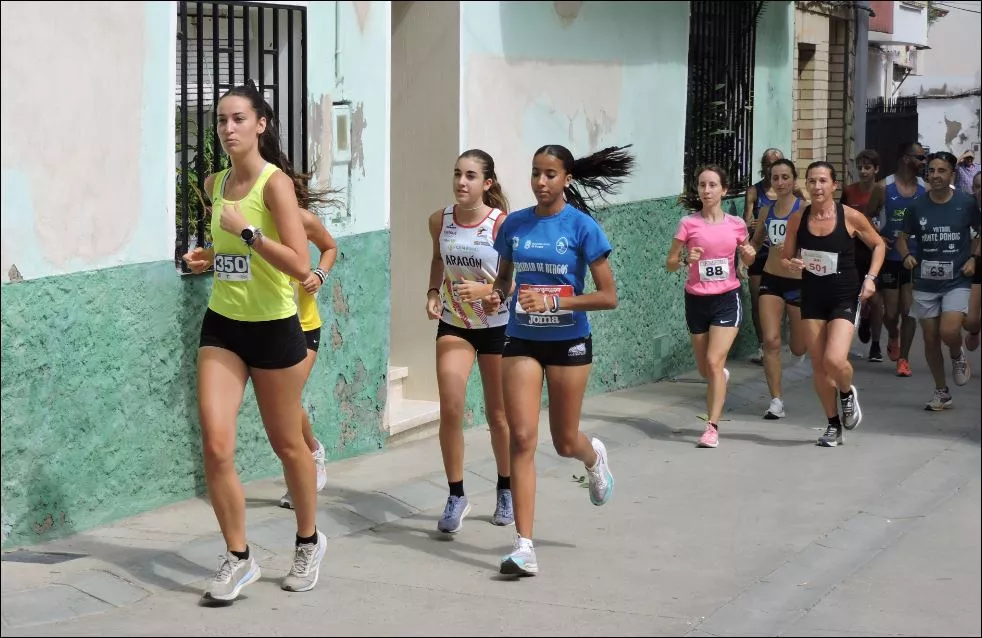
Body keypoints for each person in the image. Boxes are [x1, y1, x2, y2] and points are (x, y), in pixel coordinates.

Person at [181, 81, 331, 601]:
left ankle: (309, 541)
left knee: (288, 444)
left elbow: (298, 263)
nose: (228, 129)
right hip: (223, 324)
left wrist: (247, 233)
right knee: (217, 443)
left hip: (274, 328)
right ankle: (238, 557)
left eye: (239, 119)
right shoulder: (214, 182)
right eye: (221, 120)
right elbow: (233, 257)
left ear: (261, 124)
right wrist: (209, 257)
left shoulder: (275, 186)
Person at [482, 144, 634, 576]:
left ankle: (593, 458)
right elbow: (506, 279)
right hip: (522, 340)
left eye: (550, 174)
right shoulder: (514, 225)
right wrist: (498, 292)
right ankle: (523, 546)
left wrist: (555, 300)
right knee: (523, 438)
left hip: (568, 342)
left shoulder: (583, 228)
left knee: (564, 441)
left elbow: (608, 296)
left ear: (566, 178)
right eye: (535, 173)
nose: (541, 182)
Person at [424, 149, 514, 534]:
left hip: (497, 327)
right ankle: (456, 494)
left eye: (471, 176)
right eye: (458, 173)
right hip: (455, 323)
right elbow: (436, 260)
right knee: (451, 406)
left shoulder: (502, 225)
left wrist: (492, 290)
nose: (462, 182)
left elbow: (516, 278)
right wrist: (432, 291)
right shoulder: (439, 220)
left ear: (487, 184)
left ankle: (506, 488)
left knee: (498, 415)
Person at [782, 162, 885, 448]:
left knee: (835, 360)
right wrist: (793, 264)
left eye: (823, 181)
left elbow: (879, 245)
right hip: (813, 296)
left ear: (834, 186)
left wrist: (871, 279)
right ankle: (832, 424)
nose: (817, 187)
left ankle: (846, 392)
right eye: (812, 181)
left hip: (844, 294)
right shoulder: (797, 219)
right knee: (818, 365)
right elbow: (786, 257)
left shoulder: (850, 216)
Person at [667, 165, 757, 444]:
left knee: (713, 361)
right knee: (706, 369)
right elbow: (670, 263)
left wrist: (750, 254)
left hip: (727, 298)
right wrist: (685, 259)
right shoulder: (688, 223)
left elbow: (748, 259)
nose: (706, 190)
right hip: (696, 298)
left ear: (724, 190)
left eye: (712, 185)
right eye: (702, 185)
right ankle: (719, 376)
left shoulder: (736, 225)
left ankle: (711, 427)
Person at [895, 152, 979, 410]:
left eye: (941, 171)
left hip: (957, 279)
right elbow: (901, 237)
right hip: (925, 282)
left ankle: (956, 354)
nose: (935, 175)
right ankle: (941, 391)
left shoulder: (966, 203)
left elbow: (979, 234)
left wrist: (974, 258)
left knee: (949, 331)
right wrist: (907, 255)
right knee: (930, 338)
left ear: (951, 174)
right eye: (931, 171)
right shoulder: (917, 206)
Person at [277, 210, 338, 509]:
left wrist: (319, 275)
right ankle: (306, 459)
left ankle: (312, 455)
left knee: (289, 398)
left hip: (304, 326)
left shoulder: (303, 219)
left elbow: (329, 247)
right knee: (283, 404)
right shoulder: (250, 220)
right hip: (270, 325)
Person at [750, 159, 806, 419]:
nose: (781, 183)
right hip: (771, 280)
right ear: (770, 181)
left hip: (799, 283)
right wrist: (744, 256)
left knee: (798, 347)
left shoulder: (804, 210)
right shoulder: (766, 210)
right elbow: (756, 241)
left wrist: (805, 261)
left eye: (785, 177)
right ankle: (776, 400)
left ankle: (801, 343)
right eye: (775, 178)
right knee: (771, 341)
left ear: (794, 180)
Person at [877, 143, 926, 377]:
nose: (923, 163)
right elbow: (865, 217)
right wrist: (877, 238)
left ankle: (904, 359)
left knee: (909, 310)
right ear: (906, 159)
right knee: (890, 313)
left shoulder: (924, 189)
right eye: (920, 158)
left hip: (915, 258)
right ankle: (893, 334)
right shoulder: (883, 187)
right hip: (890, 258)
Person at [841, 149, 886, 361]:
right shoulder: (849, 191)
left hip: (874, 251)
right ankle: (847, 339)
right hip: (851, 252)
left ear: (876, 169)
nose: (863, 171)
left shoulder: (882, 191)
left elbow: (887, 220)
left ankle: (876, 345)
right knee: (852, 297)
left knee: (876, 299)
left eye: (867, 167)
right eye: (860, 167)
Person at [743, 148, 785, 364]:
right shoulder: (754, 192)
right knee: (757, 299)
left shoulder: (791, 192)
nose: (772, 168)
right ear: (764, 166)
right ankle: (762, 346)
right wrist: (753, 227)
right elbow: (746, 224)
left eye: (777, 163)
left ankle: (776, 341)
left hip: (781, 254)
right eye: (769, 164)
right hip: (760, 253)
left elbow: (801, 218)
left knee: (780, 299)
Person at [966, 171, 982, 352]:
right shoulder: (966, 208)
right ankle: (975, 329)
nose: (980, 191)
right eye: (977, 186)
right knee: (970, 321)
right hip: (973, 267)